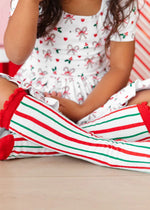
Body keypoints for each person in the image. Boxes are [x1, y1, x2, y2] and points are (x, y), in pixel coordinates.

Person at [0, 0, 150, 172]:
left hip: (95, 101)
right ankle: (95, 144)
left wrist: (83, 109)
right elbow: (16, 55)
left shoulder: (121, 2)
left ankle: (38, 143)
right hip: (39, 102)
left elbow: (120, 67)